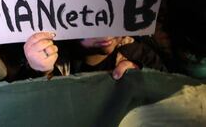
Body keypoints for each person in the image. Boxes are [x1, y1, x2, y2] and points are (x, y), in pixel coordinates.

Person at [24, 32, 167, 80]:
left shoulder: (140, 54)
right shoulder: (53, 56)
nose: (107, 32)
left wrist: (145, 79)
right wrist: (42, 72)